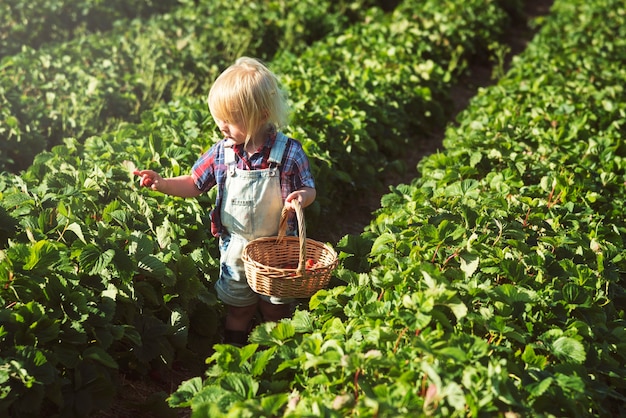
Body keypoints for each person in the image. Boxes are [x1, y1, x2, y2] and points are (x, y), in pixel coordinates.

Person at [133, 57, 316, 346]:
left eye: (231, 119)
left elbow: (309, 187)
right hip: (237, 249)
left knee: (275, 307)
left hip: (278, 248)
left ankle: (277, 350)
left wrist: (301, 198)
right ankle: (235, 351)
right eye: (220, 118)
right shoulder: (222, 153)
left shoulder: (288, 152)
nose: (222, 126)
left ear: (261, 114)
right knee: (238, 308)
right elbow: (194, 184)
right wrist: (163, 183)